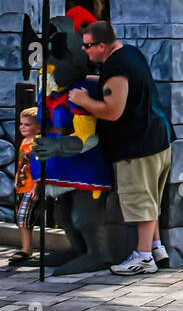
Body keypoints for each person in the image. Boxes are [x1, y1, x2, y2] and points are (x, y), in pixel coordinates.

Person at [69, 21, 172, 275]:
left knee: (140, 201)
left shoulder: (117, 67)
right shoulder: (129, 54)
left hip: (137, 147)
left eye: (88, 46)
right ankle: (157, 248)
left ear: (102, 45)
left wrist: (84, 100)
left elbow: (113, 111)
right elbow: (118, 83)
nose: (84, 50)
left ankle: (144, 258)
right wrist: (88, 79)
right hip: (158, 139)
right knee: (150, 198)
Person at [9, 107, 39, 266]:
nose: (22, 127)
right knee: (21, 219)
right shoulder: (24, 142)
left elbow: (39, 166)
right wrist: (16, 177)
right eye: (21, 124)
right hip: (21, 185)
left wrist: (36, 186)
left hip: (30, 187)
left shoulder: (36, 143)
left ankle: (26, 249)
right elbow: (22, 163)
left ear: (38, 127)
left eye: (27, 125)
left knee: (24, 218)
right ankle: (25, 248)